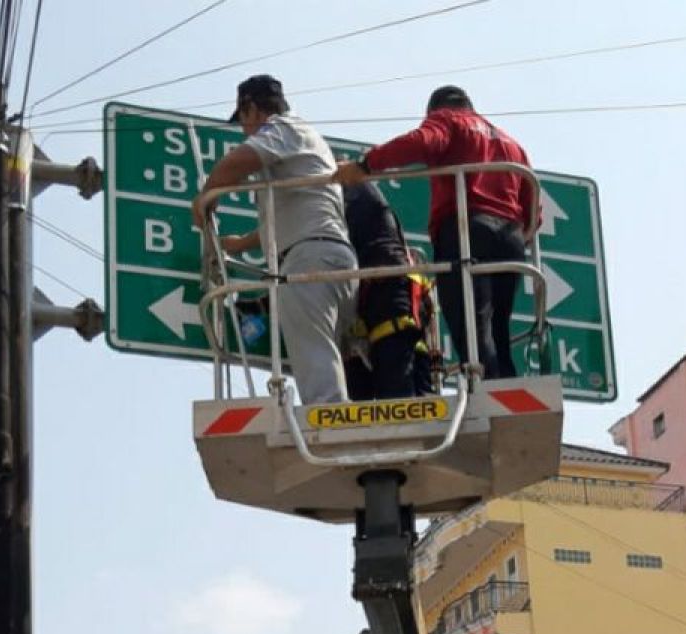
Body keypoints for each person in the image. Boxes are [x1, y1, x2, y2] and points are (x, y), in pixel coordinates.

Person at [335, 85, 538, 380]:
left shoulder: (448, 121)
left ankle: (485, 389)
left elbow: (423, 141)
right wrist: (521, 234)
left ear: (435, 110)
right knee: (498, 326)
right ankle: (504, 385)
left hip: (468, 229)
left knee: (471, 322)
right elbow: (534, 210)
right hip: (510, 237)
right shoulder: (511, 144)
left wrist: (366, 165)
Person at [192, 74, 357, 405]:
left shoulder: (284, 128)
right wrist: (241, 245)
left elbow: (239, 161)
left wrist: (207, 196)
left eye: (242, 119)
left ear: (252, 109)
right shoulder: (302, 140)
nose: (244, 129)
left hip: (311, 260)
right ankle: (335, 419)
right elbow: (296, 211)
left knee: (315, 355)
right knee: (325, 351)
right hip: (330, 254)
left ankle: (327, 423)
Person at [342, 181, 436, 400]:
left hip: (391, 298)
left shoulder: (356, 193)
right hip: (394, 302)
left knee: (396, 399)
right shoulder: (366, 200)